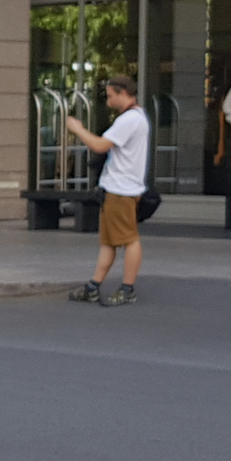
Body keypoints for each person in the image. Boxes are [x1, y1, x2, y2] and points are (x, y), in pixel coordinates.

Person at [62, 75, 149, 307]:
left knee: (129, 240)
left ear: (123, 93)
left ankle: (127, 289)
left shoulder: (129, 119)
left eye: (111, 96)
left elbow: (99, 145)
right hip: (118, 188)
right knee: (109, 242)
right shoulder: (137, 117)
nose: (108, 101)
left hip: (122, 189)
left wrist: (77, 129)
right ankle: (93, 286)